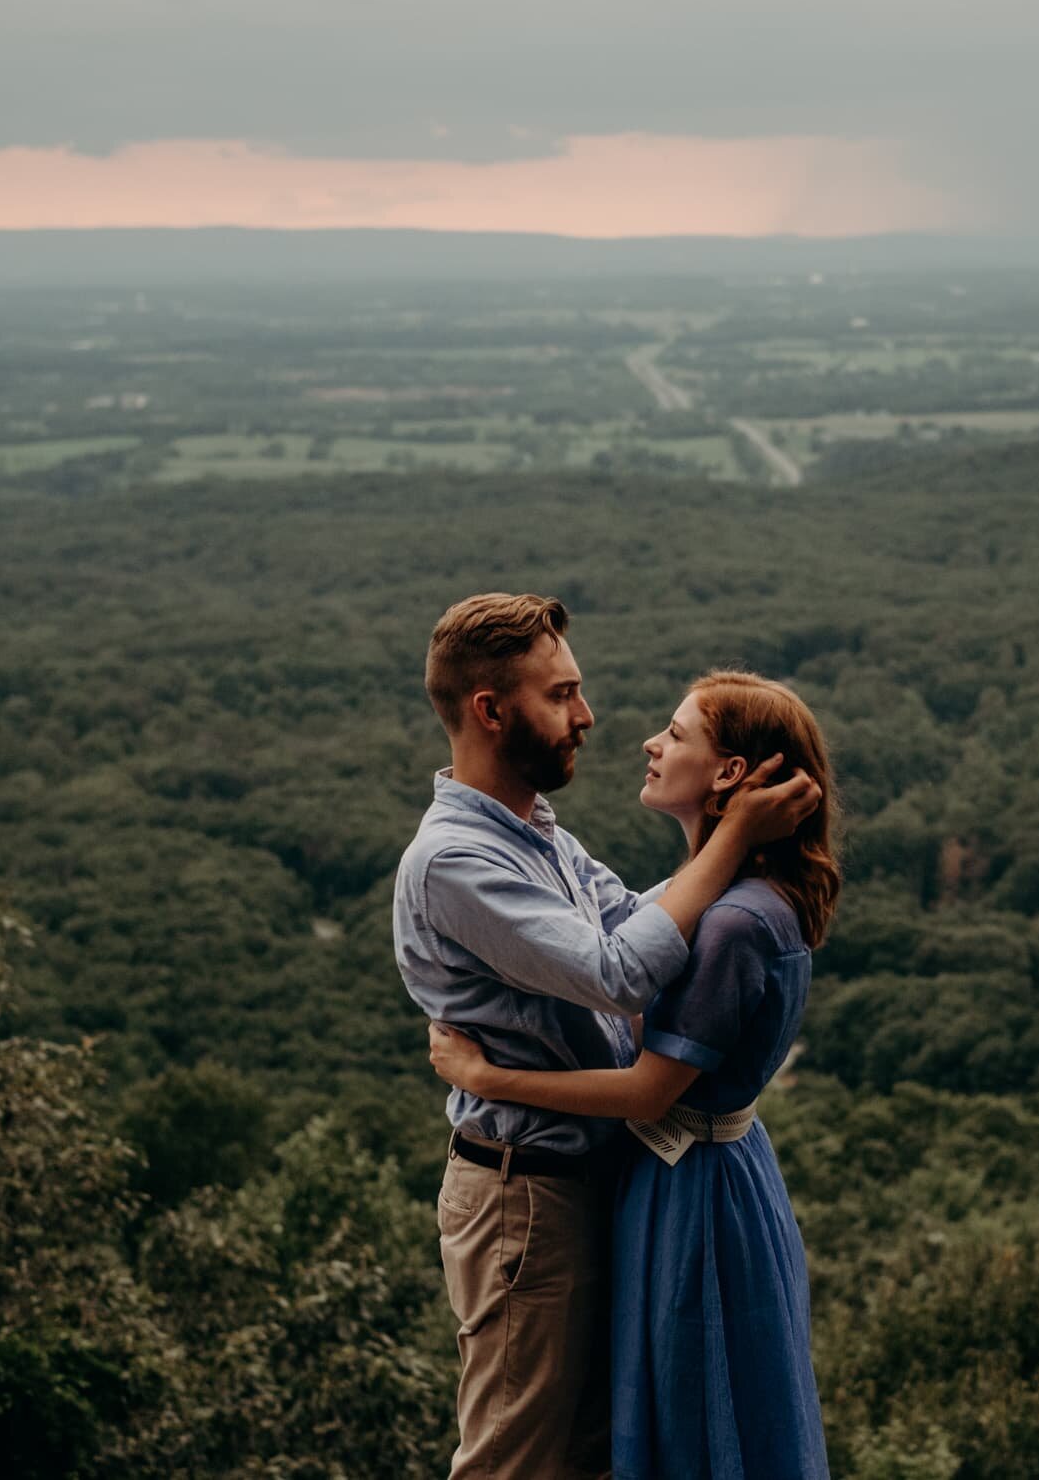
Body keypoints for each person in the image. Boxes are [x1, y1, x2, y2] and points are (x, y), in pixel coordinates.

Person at [395, 596, 821, 1480]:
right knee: (516, 1457)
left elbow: (643, 924)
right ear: (490, 710)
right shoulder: (455, 860)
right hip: (525, 1200)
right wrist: (735, 829)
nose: (588, 718)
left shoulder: (540, 835)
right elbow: (620, 973)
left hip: (598, 1184)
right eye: (563, 695)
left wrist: (733, 847)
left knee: (599, 1453)